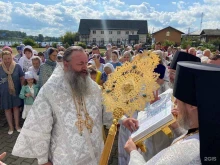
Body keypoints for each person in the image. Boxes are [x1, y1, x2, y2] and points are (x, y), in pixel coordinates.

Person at [12, 46, 137, 165]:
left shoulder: (91, 85)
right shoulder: (50, 90)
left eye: (85, 63)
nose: (85, 68)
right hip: (66, 156)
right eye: (80, 64)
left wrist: (124, 119)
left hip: (95, 152)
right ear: (66, 64)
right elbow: (39, 126)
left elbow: (106, 105)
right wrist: (43, 160)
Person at [125, 61, 220, 165]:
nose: (174, 102)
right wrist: (177, 127)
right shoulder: (209, 131)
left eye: (178, 99)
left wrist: (133, 152)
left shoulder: (185, 150)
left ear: (192, 105)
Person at [0, 51, 24, 134]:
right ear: (2, 59)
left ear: (12, 57)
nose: (7, 60)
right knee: (7, 109)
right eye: (5, 59)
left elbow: (22, 78)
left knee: (16, 108)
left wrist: (23, 89)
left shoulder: (17, 66)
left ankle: (17, 126)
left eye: (9, 58)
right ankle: (11, 127)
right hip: (4, 93)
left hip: (16, 91)